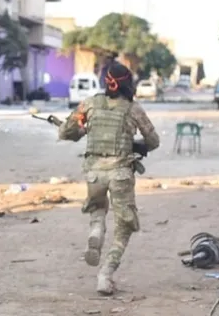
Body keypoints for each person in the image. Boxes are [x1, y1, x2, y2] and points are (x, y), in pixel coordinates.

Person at [58, 61, 159, 295]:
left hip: (94, 171)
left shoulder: (90, 103)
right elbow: (153, 141)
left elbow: (66, 132)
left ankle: (96, 230)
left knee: (97, 206)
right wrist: (136, 144)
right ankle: (105, 274)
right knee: (125, 226)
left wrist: (82, 129)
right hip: (121, 172)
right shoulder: (133, 109)